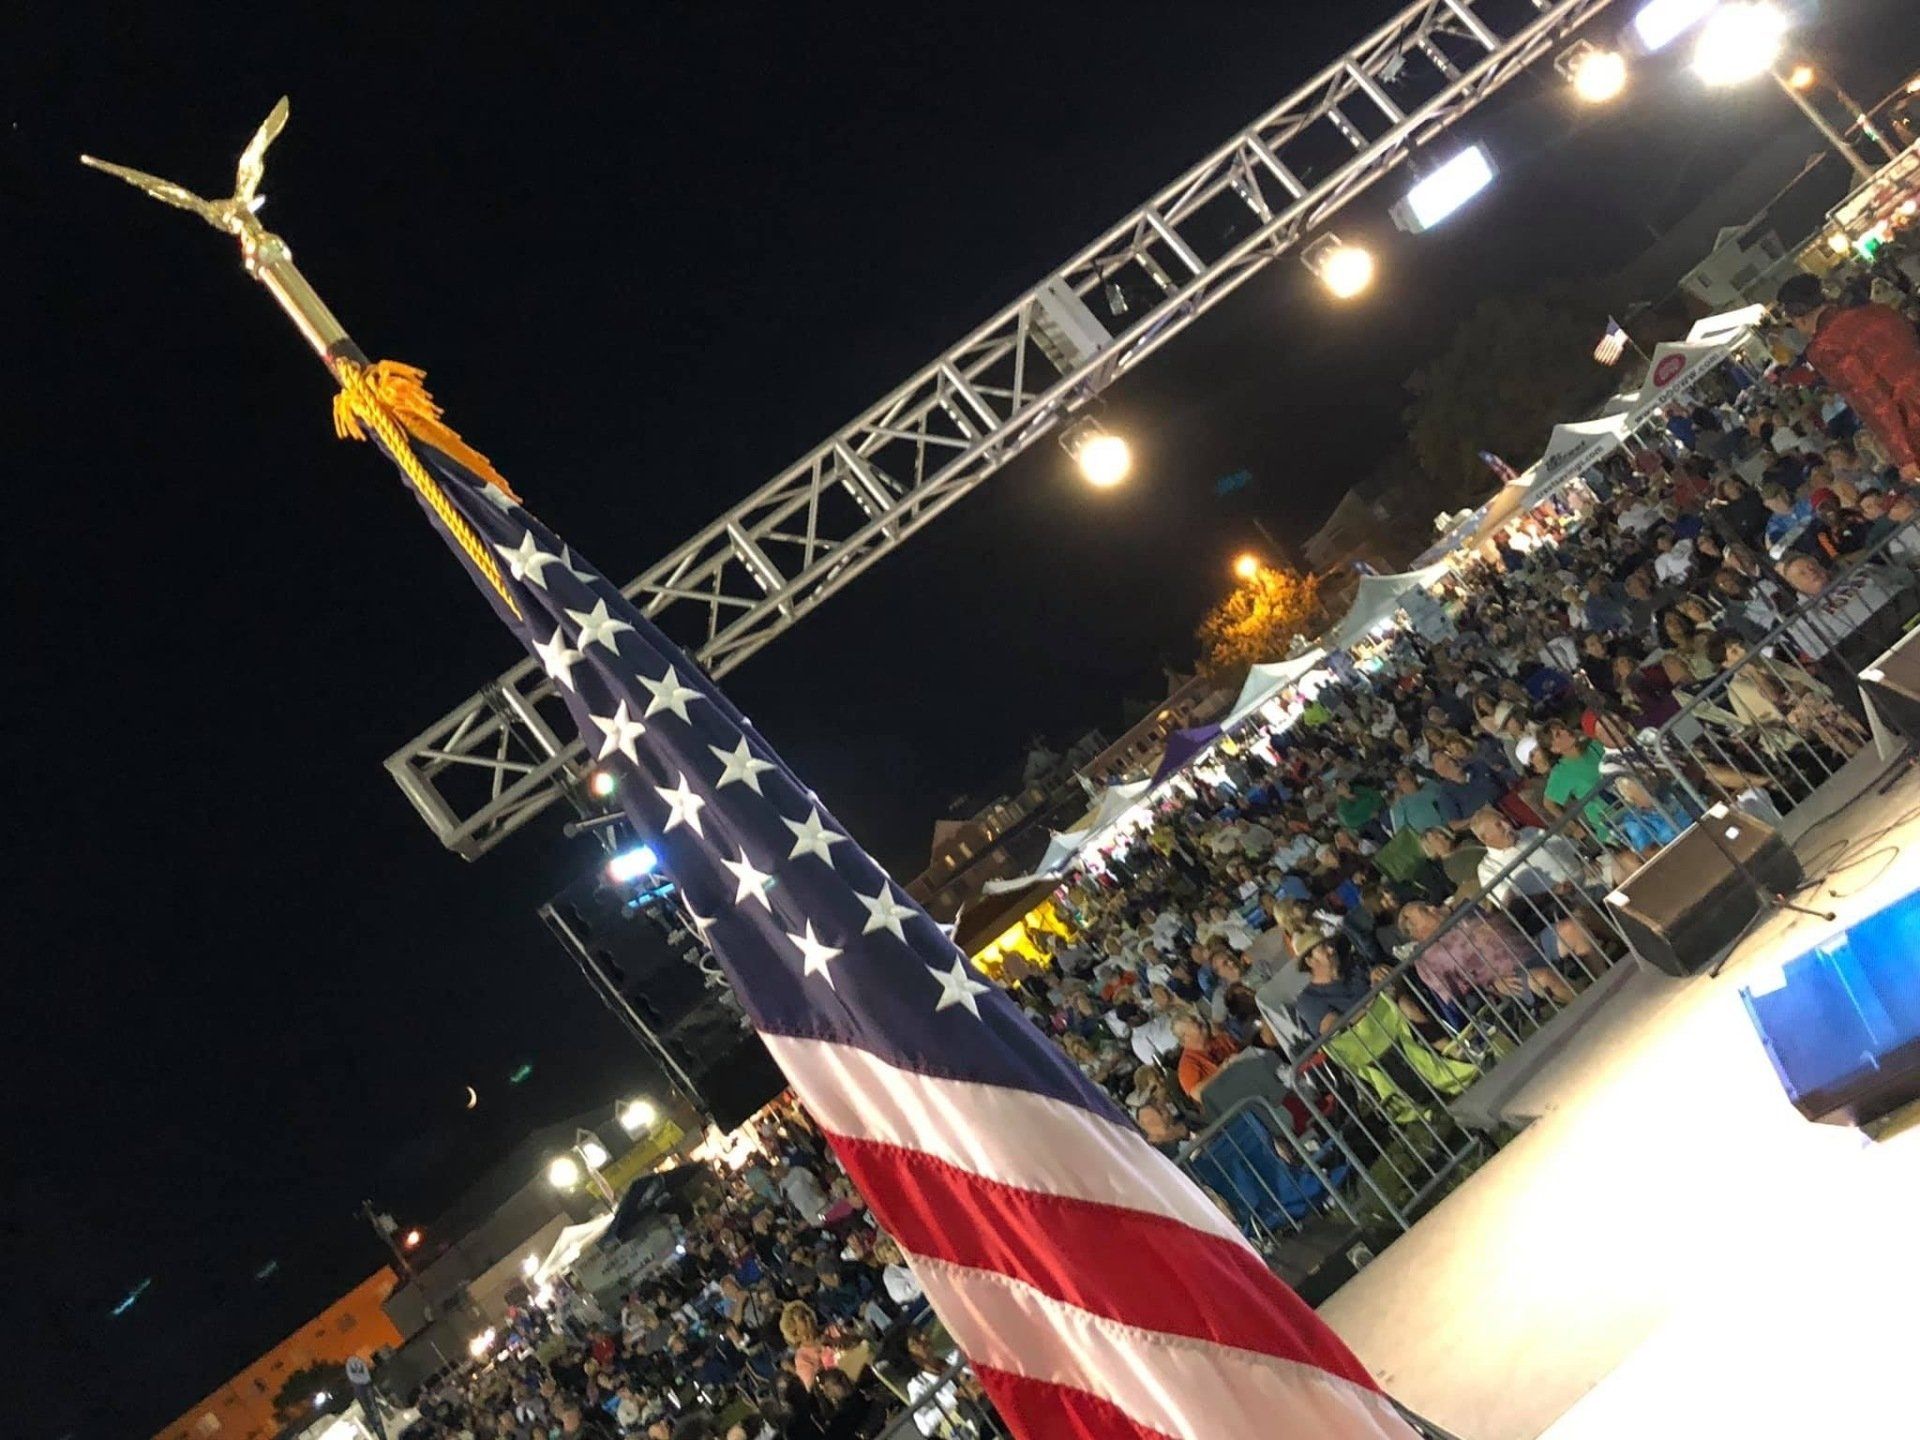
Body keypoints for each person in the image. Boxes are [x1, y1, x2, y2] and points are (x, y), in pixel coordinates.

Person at [1778, 272, 1920, 481]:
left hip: (1911, 418)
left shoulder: (1825, 347)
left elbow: (1871, 398)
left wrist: (1904, 454)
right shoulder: (1878, 311)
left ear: (1798, 318)